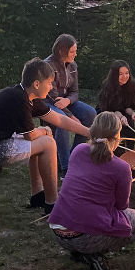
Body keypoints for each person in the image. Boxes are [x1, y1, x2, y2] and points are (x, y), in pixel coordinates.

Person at [0, 58, 90, 214]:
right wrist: (43, 130)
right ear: (36, 84)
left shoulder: (27, 96)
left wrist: (89, 132)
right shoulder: (19, 99)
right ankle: (53, 204)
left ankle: (38, 196)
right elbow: (30, 136)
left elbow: (59, 119)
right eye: (49, 83)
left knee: (42, 141)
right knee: (48, 143)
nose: (50, 88)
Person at [48, 112, 135, 270]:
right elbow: (122, 206)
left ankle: (80, 251)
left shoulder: (79, 150)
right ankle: (93, 252)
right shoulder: (121, 168)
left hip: (58, 231)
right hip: (85, 238)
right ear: (117, 137)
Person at [44, 34, 97, 173]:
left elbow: (75, 92)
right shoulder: (48, 65)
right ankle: (65, 168)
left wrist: (68, 100)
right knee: (63, 121)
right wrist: (71, 117)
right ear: (62, 51)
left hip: (67, 101)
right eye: (72, 51)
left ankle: (74, 156)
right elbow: (52, 96)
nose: (76, 54)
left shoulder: (73, 65)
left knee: (91, 114)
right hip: (49, 103)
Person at [97, 60, 135, 154]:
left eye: (127, 73)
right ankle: (116, 153)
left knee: (130, 129)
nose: (124, 76)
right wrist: (120, 117)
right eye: (120, 74)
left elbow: (128, 106)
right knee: (118, 132)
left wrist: (133, 113)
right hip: (108, 114)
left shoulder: (131, 85)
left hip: (122, 112)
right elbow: (109, 109)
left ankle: (129, 153)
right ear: (114, 75)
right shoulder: (108, 87)